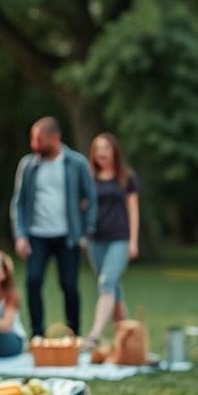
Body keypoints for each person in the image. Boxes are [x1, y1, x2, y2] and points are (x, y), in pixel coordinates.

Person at [10, 117, 96, 337]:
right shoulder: (28, 165)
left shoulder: (76, 163)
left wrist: (87, 232)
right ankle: (37, 334)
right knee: (33, 281)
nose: (34, 145)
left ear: (55, 138)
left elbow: (91, 199)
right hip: (36, 235)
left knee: (69, 285)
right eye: (33, 139)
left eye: (38, 140)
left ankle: (73, 334)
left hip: (68, 237)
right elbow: (18, 203)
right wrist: (20, 235)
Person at [83, 133, 140, 349]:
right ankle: (127, 341)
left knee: (106, 283)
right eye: (97, 149)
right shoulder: (89, 179)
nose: (101, 153)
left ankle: (94, 336)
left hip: (120, 239)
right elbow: (82, 208)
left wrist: (133, 241)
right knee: (113, 289)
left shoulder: (126, 177)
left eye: (105, 148)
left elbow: (133, 211)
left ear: (114, 150)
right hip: (95, 241)